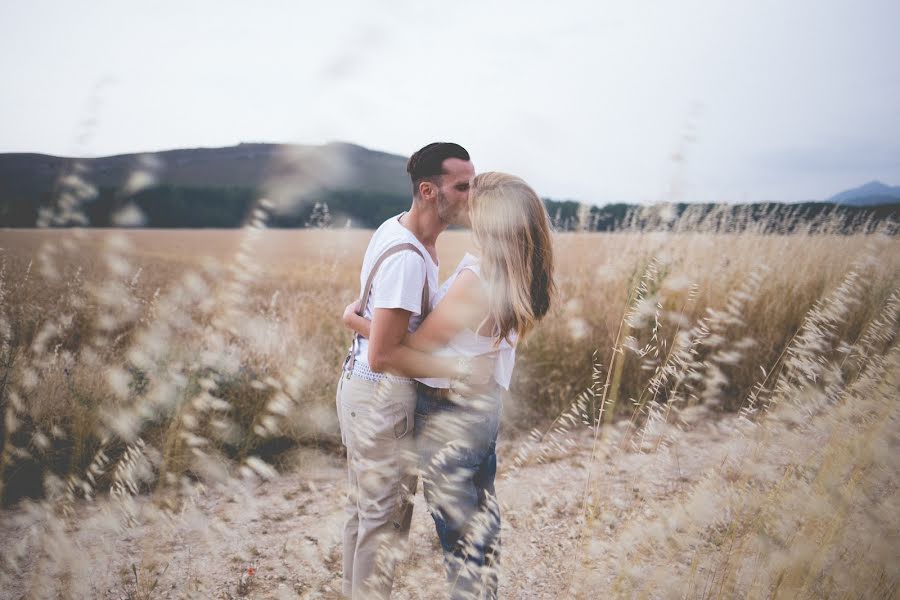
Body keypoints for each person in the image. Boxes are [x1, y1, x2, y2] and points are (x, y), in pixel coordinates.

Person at [342, 171, 556, 599]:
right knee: (479, 520)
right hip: (483, 407)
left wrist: (355, 320)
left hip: (451, 414)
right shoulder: (521, 272)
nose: (463, 208)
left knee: (458, 534)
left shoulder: (476, 279)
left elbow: (411, 349)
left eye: (472, 203)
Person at [336, 142, 485, 599]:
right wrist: (455, 368)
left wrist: (353, 320)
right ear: (428, 190)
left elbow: (376, 333)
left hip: (360, 390)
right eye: (462, 187)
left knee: (364, 513)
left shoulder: (396, 231)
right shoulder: (406, 258)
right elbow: (384, 354)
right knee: (383, 524)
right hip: (383, 399)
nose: (471, 196)